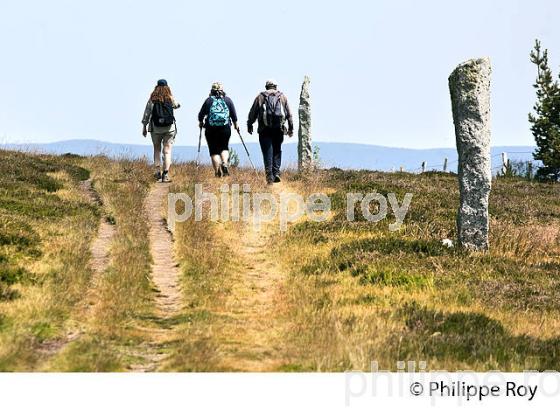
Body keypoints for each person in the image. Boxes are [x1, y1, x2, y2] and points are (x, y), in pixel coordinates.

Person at [247, 79, 294, 184]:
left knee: (267, 152)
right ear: (275, 86)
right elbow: (289, 114)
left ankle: (269, 178)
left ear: (266, 87)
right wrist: (291, 128)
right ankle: (276, 172)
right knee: (277, 150)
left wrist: (249, 124)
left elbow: (253, 112)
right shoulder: (282, 97)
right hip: (279, 129)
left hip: (264, 130)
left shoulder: (261, 97)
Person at [141, 79, 180, 182]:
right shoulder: (170, 98)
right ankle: (166, 174)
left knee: (157, 150)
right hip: (169, 128)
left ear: (156, 87)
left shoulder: (152, 99)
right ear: (167, 87)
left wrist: (144, 126)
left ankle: (158, 173)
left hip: (156, 128)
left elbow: (147, 113)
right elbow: (176, 105)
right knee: (167, 151)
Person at [198, 82, 239, 177]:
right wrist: (236, 125)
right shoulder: (228, 100)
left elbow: (201, 114)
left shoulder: (208, 101)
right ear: (222, 90)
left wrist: (201, 122)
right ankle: (224, 163)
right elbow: (233, 114)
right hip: (225, 128)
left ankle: (217, 172)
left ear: (211, 90)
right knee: (224, 147)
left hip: (210, 128)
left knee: (214, 151)